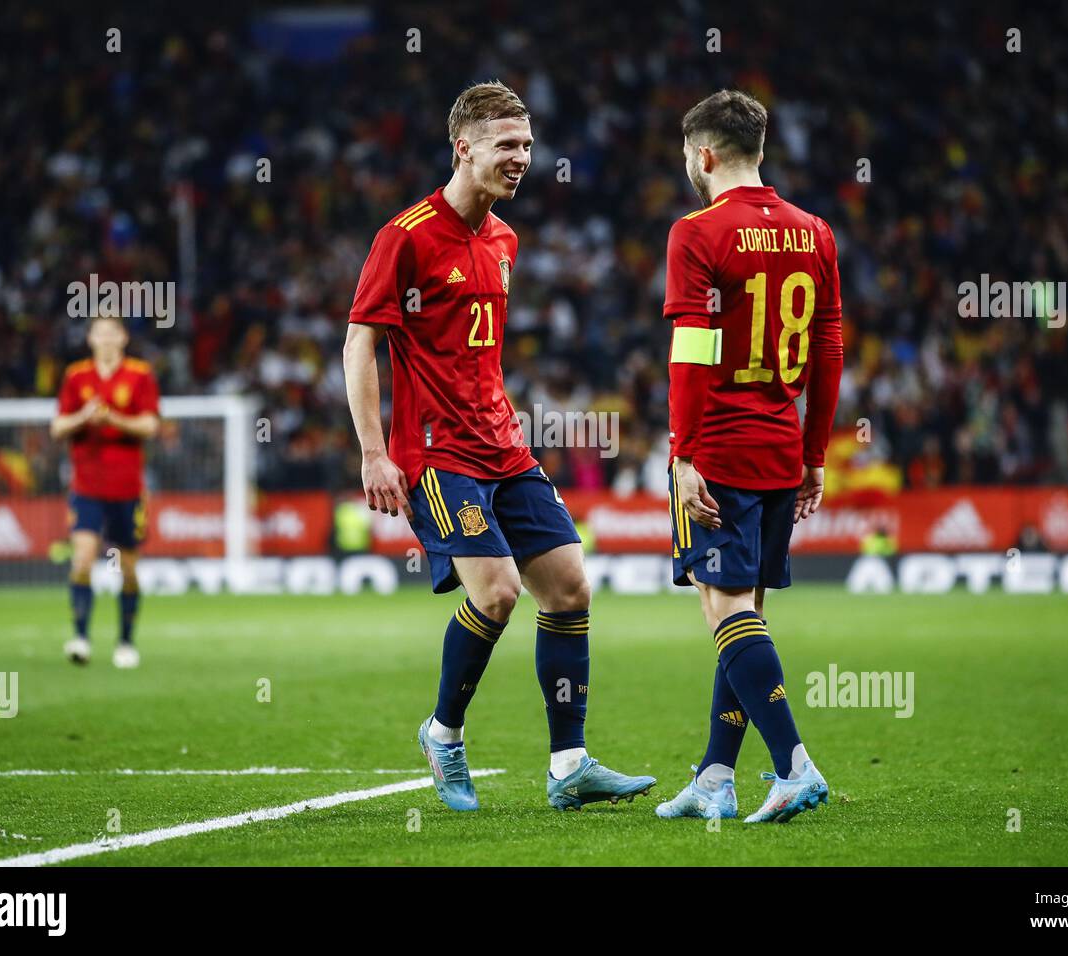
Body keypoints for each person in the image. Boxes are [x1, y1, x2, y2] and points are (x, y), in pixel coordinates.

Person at [343, 81, 655, 812]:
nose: (522, 159)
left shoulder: (505, 240)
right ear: (464, 148)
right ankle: (443, 734)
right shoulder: (406, 236)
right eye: (507, 146)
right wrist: (372, 451)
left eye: (527, 146)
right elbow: (361, 345)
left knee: (571, 588)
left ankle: (570, 764)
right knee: (499, 592)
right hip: (436, 454)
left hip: (504, 447)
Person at [656, 90, 843, 823]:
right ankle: (714, 776)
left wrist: (683, 452)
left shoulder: (697, 232)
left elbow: (692, 351)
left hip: (721, 446)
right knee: (747, 614)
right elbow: (828, 349)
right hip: (781, 444)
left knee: (725, 610)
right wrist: (816, 452)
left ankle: (794, 764)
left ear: (703, 154)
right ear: (759, 150)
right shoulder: (816, 232)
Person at [50, 316, 160, 669]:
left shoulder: (140, 374)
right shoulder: (76, 376)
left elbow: (150, 424)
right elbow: (57, 427)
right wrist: (84, 416)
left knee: (127, 569)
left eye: (114, 332)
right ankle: (80, 637)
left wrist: (112, 419)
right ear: (91, 338)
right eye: (101, 332)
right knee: (82, 559)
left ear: (124, 337)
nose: (108, 338)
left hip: (127, 489)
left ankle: (126, 641)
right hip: (86, 487)